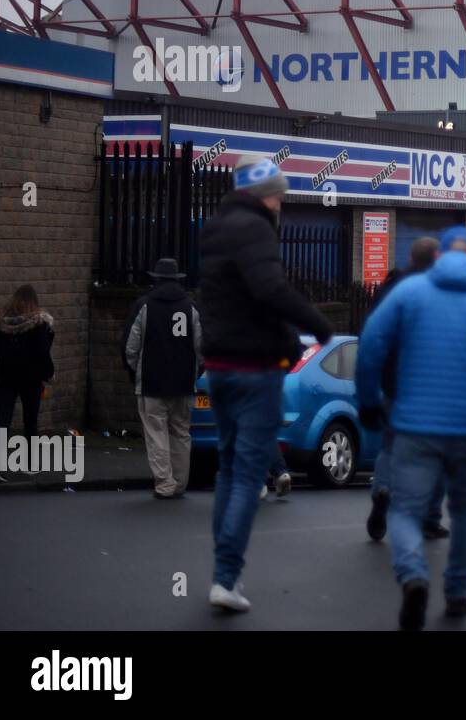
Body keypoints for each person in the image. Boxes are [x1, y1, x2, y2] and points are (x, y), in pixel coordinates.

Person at [355, 226, 466, 631]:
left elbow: (371, 346)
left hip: (416, 423)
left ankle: (413, 574)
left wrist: (367, 401)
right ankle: (457, 592)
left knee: (405, 509)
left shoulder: (408, 294)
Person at [199, 155, 334, 613]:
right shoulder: (255, 229)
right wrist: (318, 324)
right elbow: (270, 292)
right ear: (263, 194)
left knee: (228, 470)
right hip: (254, 369)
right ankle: (225, 577)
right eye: (278, 193)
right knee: (247, 474)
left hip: (217, 368)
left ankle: (223, 571)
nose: (281, 203)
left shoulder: (214, 229)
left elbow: (236, 300)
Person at [366, 236, 448, 541]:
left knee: (390, 446)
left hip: (394, 385)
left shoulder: (390, 288)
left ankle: (383, 490)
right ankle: (429, 517)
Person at [123, 258, 202, 500]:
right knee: (181, 432)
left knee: (156, 433)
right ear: (177, 279)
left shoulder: (143, 306)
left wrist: (136, 373)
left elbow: (130, 348)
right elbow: (201, 349)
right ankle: (179, 482)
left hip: (152, 383)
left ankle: (165, 483)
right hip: (183, 385)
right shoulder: (191, 308)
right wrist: (194, 375)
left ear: (156, 279)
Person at [0, 285, 55, 483]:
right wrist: (48, 373)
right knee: (30, 421)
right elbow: (43, 352)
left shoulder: (1, 322)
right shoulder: (39, 323)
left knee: (3, 421)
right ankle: (28, 464)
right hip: (30, 379)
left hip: (5, 377)